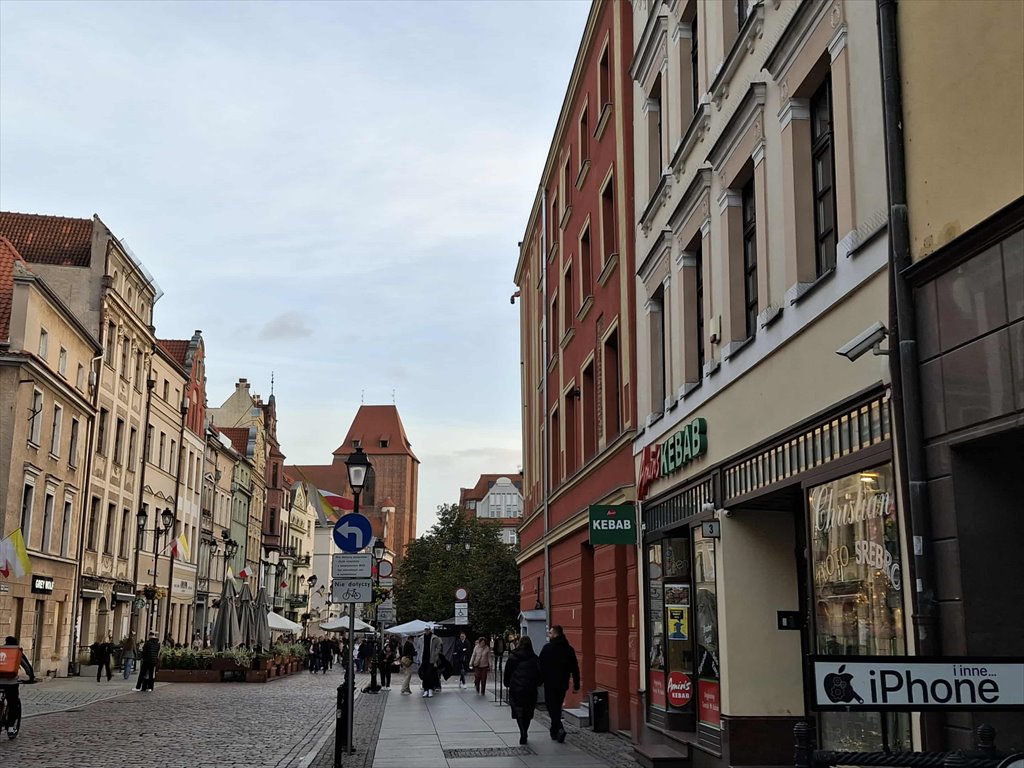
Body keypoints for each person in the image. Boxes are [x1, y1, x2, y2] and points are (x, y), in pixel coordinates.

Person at [539, 625, 581, 743]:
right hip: (563, 683)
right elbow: (575, 668)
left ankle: (559, 728)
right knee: (557, 706)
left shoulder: (547, 648)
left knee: (551, 707)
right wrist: (576, 684)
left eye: (550, 633)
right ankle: (554, 731)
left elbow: (540, 666)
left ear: (555, 634)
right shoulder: (569, 649)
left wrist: (539, 681)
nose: (549, 634)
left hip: (550, 683)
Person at [503, 636, 542, 745]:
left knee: (518, 710)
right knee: (528, 711)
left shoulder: (513, 657)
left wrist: (507, 683)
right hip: (530, 688)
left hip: (516, 687)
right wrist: (537, 683)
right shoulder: (534, 658)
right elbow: (540, 673)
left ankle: (522, 731)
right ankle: (525, 729)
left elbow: (507, 671)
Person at [0, 636, 36, 737]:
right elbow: (26, 666)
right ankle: (11, 728)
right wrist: (31, 677)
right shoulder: (16, 652)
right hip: (11, 683)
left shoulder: (1, 650)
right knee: (13, 704)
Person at [418, 627, 442, 698]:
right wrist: (419, 658)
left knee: (430, 674)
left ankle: (430, 689)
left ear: (430, 630)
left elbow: (439, 647)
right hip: (423, 659)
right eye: (425, 629)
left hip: (431, 659)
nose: (426, 631)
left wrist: (435, 654)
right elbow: (419, 648)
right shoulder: (421, 638)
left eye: (428, 629)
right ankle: (425, 689)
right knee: (424, 675)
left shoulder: (435, 638)